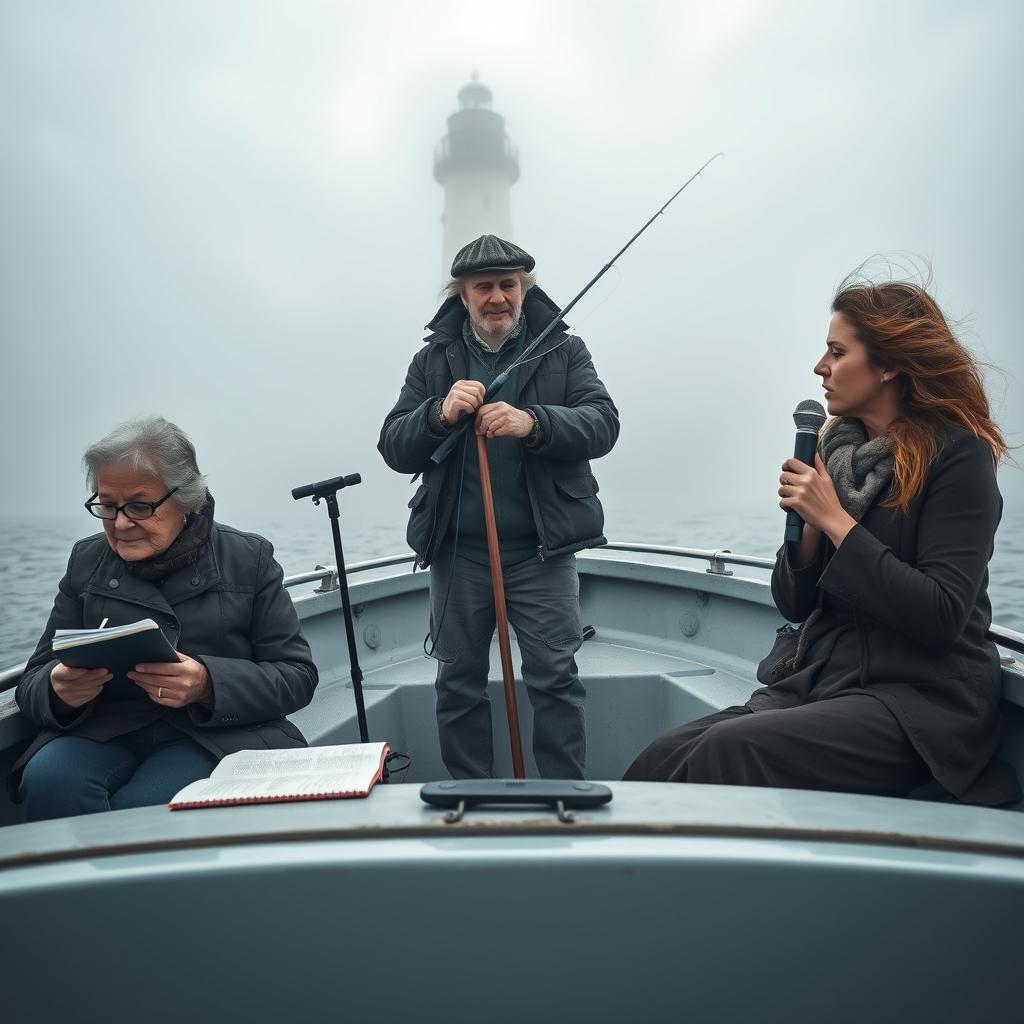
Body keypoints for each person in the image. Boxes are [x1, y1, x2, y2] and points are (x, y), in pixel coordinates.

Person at [625, 277, 1020, 806]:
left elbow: (943, 614)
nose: (820, 367)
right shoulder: (839, 452)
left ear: (888, 365)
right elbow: (794, 603)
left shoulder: (958, 458)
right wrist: (808, 534)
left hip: (922, 702)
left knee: (728, 749)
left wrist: (836, 521)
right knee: (660, 756)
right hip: (828, 682)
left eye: (837, 352)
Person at [378, 234, 619, 779]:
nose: (496, 297)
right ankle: (474, 797)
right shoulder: (431, 360)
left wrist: (533, 422)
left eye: (507, 285)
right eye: (482, 287)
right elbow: (393, 445)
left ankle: (567, 797)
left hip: (542, 551)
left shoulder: (565, 350)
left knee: (555, 676)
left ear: (523, 288)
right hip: (458, 553)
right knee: (456, 681)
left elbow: (604, 422)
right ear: (461, 295)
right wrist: (438, 412)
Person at [13, 416, 319, 820]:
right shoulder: (86, 561)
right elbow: (34, 677)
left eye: (139, 506)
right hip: (106, 727)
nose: (120, 523)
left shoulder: (249, 559)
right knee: (48, 781)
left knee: (147, 809)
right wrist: (57, 690)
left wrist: (209, 684)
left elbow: (297, 676)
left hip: (215, 734)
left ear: (186, 499)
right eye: (106, 505)